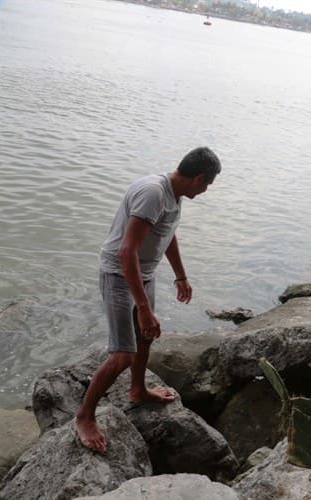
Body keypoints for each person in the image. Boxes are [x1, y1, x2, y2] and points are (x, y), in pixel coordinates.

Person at [75, 147, 221, 452]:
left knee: (146, 337)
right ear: (199, 178)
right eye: (208, 184)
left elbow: (167, 233)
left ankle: (138, 390)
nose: (207, 190)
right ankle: (84, 418)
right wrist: (142, 308)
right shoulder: (153, 192)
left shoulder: (173, 195)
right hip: (119, 275)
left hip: (144, 274)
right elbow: (126, 251)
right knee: (122, 355)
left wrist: (181, 275)